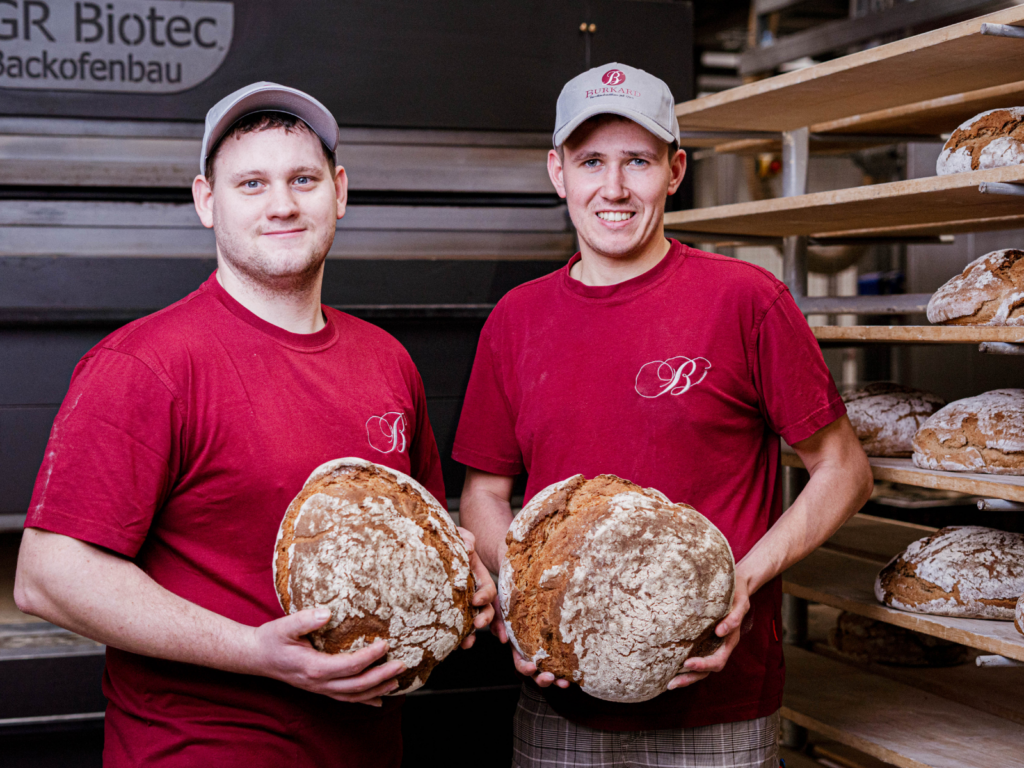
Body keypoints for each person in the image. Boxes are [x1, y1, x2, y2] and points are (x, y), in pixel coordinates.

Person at [14, 82, 495, 768]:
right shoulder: (146, 365)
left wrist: (465, 585)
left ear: (341, 190)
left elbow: (428, 537)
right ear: (206, 201)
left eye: (303, 179)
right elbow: (48, 576)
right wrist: (255, 653)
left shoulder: (387, 360)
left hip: (368, 748)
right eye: (251, 183)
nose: (282, 204)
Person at [454, 63, 873, 768]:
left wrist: (743, 578)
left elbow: (846, 470)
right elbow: (484, 495)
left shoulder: (746, 300)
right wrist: (526, 605)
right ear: (558, 172)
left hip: (717, 698)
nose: (613, 188)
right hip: (563, 699)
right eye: (591, 161)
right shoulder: (515, 321)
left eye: (638, 162)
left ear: (675, 170)